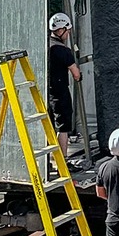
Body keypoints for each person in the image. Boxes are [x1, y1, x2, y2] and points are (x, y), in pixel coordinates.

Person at [48, 12, 81, 158]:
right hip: (60, 92)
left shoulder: (46, 45)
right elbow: (76, 74)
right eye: (67, 30)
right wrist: (78, 77)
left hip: (45, 91)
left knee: (48, 125)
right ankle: (62, 159)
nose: (68, 33)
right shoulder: (63, 51)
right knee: (63, 127)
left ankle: (47, 162)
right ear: (61, 30)